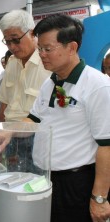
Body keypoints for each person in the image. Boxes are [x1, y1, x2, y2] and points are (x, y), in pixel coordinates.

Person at [20, 14, 109, 222]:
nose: (41, 54)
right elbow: (33, 120)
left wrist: (99, 198)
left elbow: (107, 146)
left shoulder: (97, 86)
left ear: (72, 47)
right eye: (39, 48)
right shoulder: (50, 82)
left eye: (48, 49)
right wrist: (5, 132)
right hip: (45, 177)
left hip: (75, 182)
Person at [0, 9, 51, 123]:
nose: (11, 46)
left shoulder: (48, 63)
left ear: (32, 33)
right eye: (7, 41)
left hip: (35, 134)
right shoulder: (11, 62)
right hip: (8, 132)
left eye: (16, 40)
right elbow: (4, 104)